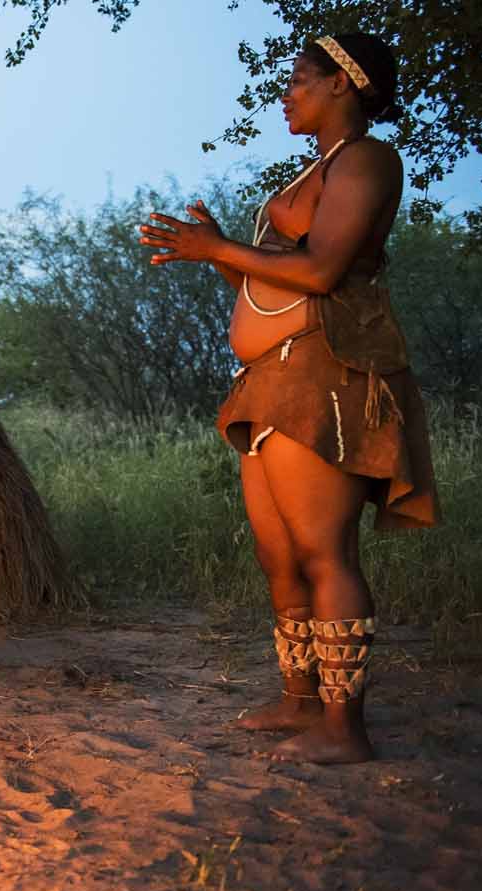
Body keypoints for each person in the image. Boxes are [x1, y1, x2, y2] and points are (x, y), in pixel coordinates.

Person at [139, 34, 437, 764]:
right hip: (270, 379)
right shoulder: (314, 170)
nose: (288, 92)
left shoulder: (367, 160)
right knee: (279, 556)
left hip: (322, 375)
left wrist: (216, 249)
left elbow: (325, 268)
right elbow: (268, 283)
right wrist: (215, 253)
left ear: (345, 85)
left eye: (302, 79)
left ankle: (345, 728)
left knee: (323, 550)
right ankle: (300, 701)